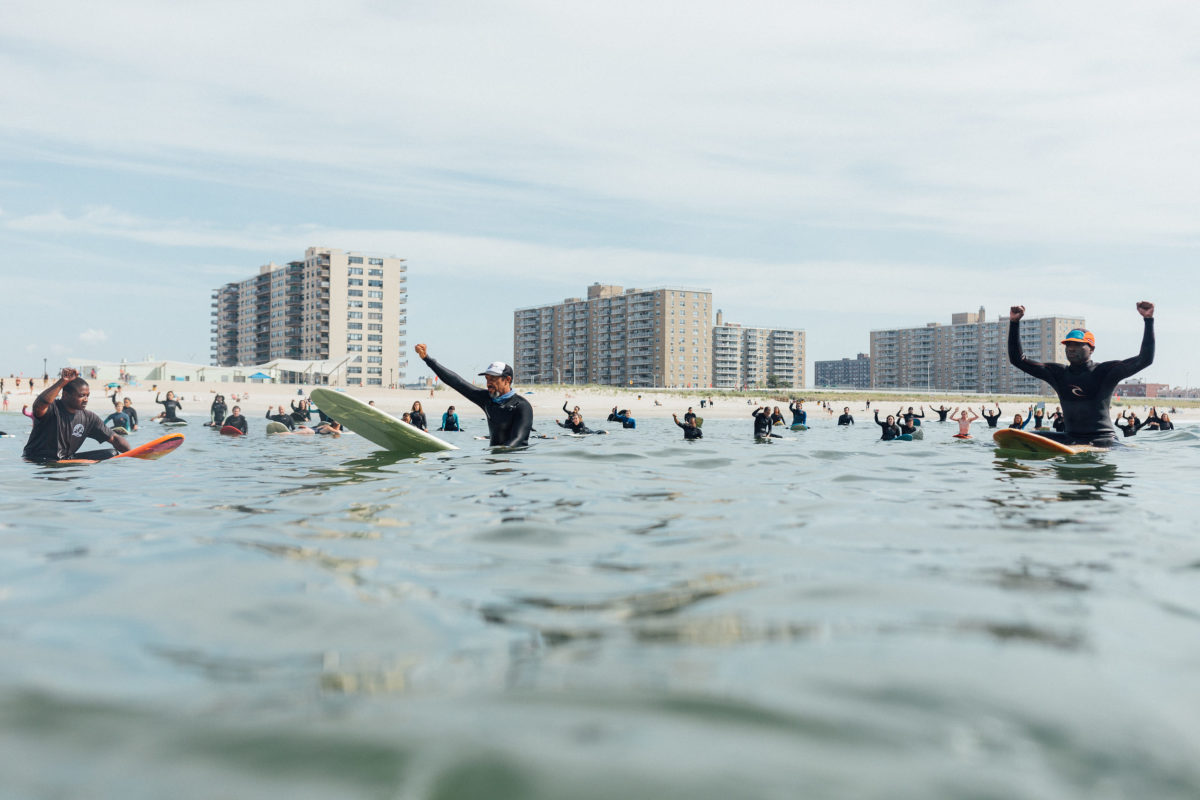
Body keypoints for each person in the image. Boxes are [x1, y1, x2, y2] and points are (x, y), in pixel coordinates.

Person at [1008, 302, 1155, 446]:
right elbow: (1018, 360)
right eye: (1068, 344)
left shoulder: (1104, 372)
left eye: (1078, 344)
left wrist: (1148, 320)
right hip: (1070, 438)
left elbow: (1145, 359)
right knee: (1021, 437)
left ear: (1091, 349)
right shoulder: (1058, 373)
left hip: (1102, 438)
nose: (1071, 348)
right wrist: (1014, 323)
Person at [414, 344, 533, 447]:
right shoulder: (487, 400)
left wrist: (501, 455)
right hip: (494, 462)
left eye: (493, 379)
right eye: (487, 378)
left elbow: (518, 439)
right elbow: (457, 382)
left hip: (515, 463)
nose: (488, 383)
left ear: (507, 380)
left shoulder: (522, 406)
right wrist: (427, 359)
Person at [22, 368, 131, 461]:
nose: (86, 399)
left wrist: (133, 454)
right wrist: (61, 382)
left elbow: (114, 438)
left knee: (112, 453)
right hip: (37, 459)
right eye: (82, 395)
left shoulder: (89, 418)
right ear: (65, 395)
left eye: (88, 395)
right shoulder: (51, 409)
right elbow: (40, 404)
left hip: (65, 460)